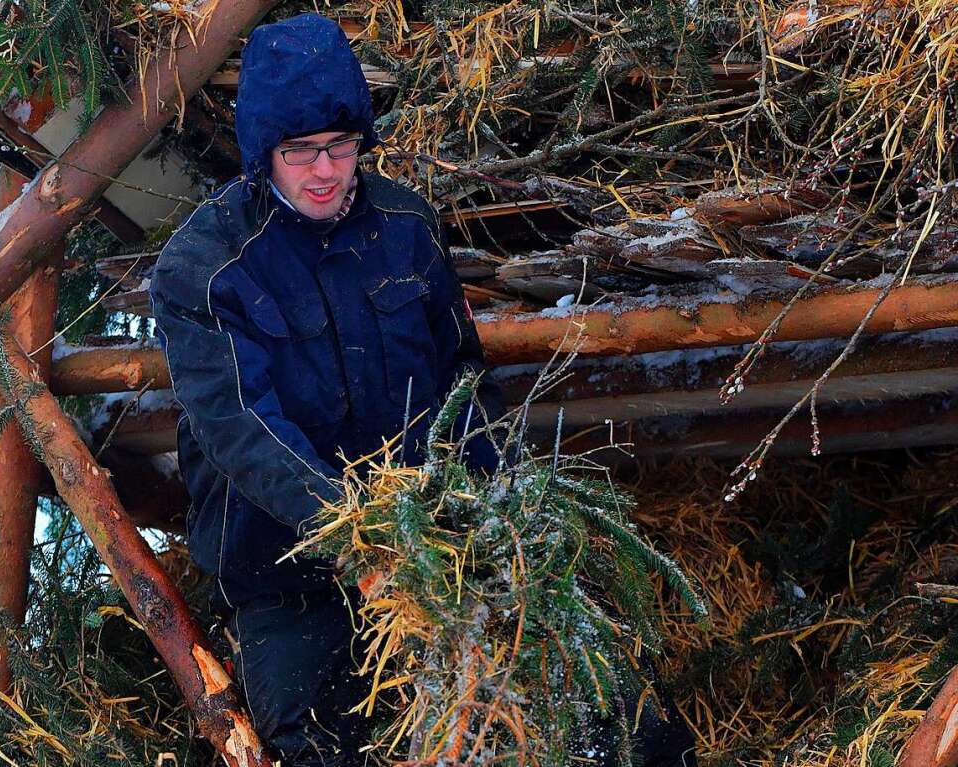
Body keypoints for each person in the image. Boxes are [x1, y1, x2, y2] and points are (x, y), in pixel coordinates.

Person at [151, 13, 696, 767]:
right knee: (327, 747)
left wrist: (498, 518)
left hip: (442, 541)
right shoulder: (205, 268)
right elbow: (241, 426)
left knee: (622, 720)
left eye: (340, 147)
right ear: (260, 153)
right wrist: (359, 531)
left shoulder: (406, 225)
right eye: (298, 150)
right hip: (292, 574)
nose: (324, 171)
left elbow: (461, 384)